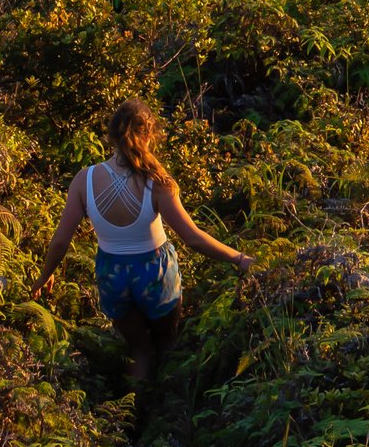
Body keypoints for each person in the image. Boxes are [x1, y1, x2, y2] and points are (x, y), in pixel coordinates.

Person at [32, 96, 252, 405]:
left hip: (113, 277)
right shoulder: (157, 181)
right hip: (155, 275)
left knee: (139, 350)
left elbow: (60, 241)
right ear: (148, 134)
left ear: (110, 136)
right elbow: (193, 238)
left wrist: (45, 276)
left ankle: (129, 416)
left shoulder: (85, 179)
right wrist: (239, 259)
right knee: (166, 344)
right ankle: (170, 413)